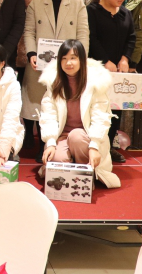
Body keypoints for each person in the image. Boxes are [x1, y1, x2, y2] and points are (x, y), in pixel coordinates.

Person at [21, 0, 89, 160]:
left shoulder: (77, 4)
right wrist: (31, 53)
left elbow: (83, 34)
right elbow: (29, 31)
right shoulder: (36, 3)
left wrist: (79, 60)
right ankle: (39, 142)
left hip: (68, 63)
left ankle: (53, 144)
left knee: (61, 102)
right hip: (40, 63)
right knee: (37, 100)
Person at [39, 39, 120, 188]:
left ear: (82, 59)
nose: (68, 63)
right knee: (57, 159)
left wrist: (94, 145)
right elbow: (48, 115)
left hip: (86, 136)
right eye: (64, 58)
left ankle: (86, 178)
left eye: (73, 58)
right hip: (62, 135)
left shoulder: (96, 82)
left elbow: (100, 117)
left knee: (76, 136)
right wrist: (50, 142)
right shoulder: (54, 82)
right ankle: (72, 175)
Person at [86, 0, 136, 163]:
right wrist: (105, 60)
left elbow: (131, 38)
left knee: (115, 110)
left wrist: (125, 58)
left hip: (118, 73)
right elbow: (91, 38)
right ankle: (93, 147)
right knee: (96, 109)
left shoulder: (125, 13)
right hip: (97, 69)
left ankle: (109, 147)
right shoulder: (92, 11)